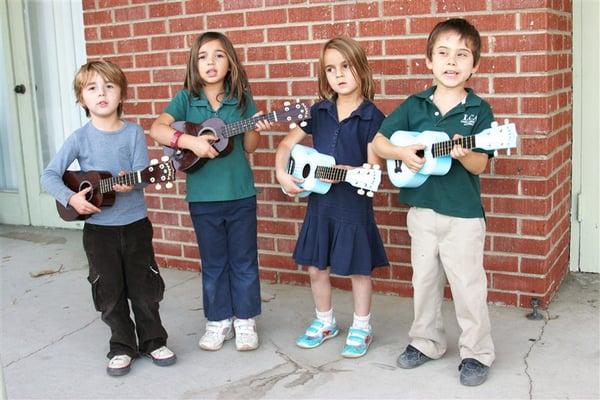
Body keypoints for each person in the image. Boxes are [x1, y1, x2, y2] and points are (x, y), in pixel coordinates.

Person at [372, 18, 495, 386]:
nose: (452, 62)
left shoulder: (479, 111)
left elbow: (481, 163)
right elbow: (379, 143)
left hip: (463, 215)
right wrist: (402, 152)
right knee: (424, 281)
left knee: (468, 286)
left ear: (475, 66)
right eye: (443, 53)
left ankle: (476, 352)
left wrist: (461, 153)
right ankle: (426, 342)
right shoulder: (415, 105)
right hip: (422, 210)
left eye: (462, 55)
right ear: (429, 60)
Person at [41, 60, 176, 377]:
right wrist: (72, 197)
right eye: (92, 88)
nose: (101, 93)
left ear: (121, 94)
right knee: (109, 292)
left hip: (135, 226)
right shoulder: (79, 138)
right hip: (98, 232)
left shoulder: (133, 134)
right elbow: (48, 176)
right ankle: (122, 346)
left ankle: (153, 340)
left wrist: (134, 180)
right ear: (81, 99)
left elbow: (143, 178)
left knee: (145, 288)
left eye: (109, 86)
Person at [150, 32, 271, 352]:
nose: (211, 62)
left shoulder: (242, 99)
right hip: (202, 198)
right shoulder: (186, 99)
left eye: (219, 55)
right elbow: (158, 128)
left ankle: (245, 319)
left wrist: (256, 129)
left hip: (240, 194)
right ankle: (218, 321)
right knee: (214, 262)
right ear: (194, 64)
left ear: (230, 62)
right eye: (203, 56)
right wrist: (190, 142)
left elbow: (249, 147)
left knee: (244, 260)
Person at [275, 37, 388, 358]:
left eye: (345, 66)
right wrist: (283, 174)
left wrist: (352, 171)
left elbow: (372, 168)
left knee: (359, 270)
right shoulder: (318, 111)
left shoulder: (372, 118)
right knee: (315, 267)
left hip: (353, 205)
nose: (338, 74)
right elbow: (286, 146)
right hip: (320, 205)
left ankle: (362, 326)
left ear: (361, 70)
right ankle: (325, 321)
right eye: (330, 69)